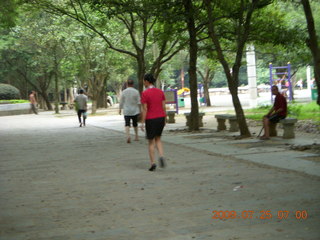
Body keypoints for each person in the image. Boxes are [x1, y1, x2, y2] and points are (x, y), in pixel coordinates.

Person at [140, 73, 167, 171]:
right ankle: (161, 155)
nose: (143, 82)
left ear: (147, 81)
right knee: (158, 139)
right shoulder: (160, 92)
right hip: (160, 117)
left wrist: (142, 122)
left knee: (151, 142)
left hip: (150, 119)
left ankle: (153, 163)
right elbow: (164, 107)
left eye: (144, 80)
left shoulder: (145, 93)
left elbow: (145, 109)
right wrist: (165, 118)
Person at [119, 79, 141, 143]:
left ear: (127, 84)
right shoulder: (136, 91)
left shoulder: (124, 92)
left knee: (127, 124)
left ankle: (128, 136)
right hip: (135, 110)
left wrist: (120, 109)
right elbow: (139, 102)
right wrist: (140, 110)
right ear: (133, 84)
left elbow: (121, 102)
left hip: (127, 110)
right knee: (135, 124)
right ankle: (136, 136)